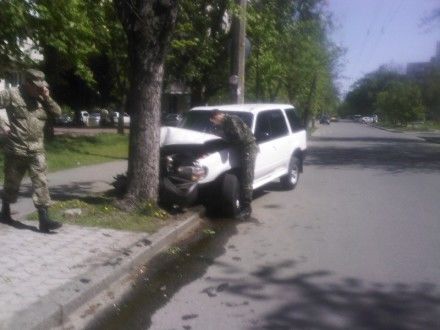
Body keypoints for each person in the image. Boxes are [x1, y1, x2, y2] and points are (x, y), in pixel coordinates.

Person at [0, 69, 62, 232]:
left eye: (42, 86)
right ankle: (5, 211)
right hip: (16, 150)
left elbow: (58, 113)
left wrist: (47, 97)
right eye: (36, 86)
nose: (39, 89)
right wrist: (3, 124)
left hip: (37, 151)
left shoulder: (43, 97)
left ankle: (44, 220)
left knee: (41, 183)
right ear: (27, 83)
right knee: (11, 185)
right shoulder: (11, 94)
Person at [210, 110, 259, 218]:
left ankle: (247, 209)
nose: (215, 123)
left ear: (217, 116)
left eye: (214, 121)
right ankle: (243, 205)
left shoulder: (231, 120)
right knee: (242, 177)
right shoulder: (225, 124)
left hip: (248, 149)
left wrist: (224, 137)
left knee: (247, 178)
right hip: (241, 150)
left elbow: (239, 137)